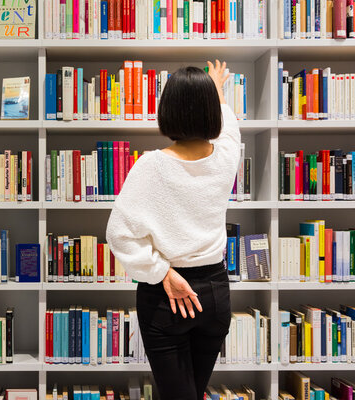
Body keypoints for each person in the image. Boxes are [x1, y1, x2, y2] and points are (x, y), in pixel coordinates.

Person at [105, 60, 241, 400]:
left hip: (167, 295)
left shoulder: (151, 165)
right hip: (214, 292)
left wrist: (162, 272)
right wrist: (217, 90)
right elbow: (229, 126)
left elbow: (119, 233)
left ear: (168, 112)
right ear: (211, 111)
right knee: (192, 392)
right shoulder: (227, 155)